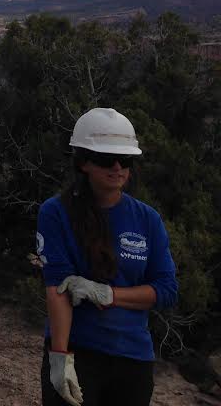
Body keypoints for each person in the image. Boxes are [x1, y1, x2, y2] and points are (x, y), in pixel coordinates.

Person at [37, 108, 178, 406]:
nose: (117, 167)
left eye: (125, 160)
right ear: (84, 163)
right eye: (105, 159)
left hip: (133, 359)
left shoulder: (147, 219)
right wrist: (61, 359)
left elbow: (166, 289)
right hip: (80, 349)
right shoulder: (56, 212)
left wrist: (108, 294)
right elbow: (58, 288)